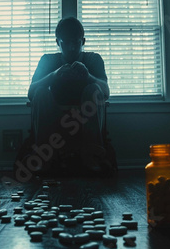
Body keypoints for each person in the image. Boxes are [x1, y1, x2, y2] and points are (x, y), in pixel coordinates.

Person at [26, 17, 113, 176]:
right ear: (57, 42)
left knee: (94, 88)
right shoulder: (48, 60)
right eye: (66, 42)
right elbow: (31, 93)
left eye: (76, 42)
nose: (72, 48)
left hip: (85, 116)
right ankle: (44, 158)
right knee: (40, 92)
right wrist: (54, 75)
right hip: (54, 114)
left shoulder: (93, 59)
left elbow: (105, 93)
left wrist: (88, 76)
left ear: (83, 41)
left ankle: (91, 157)